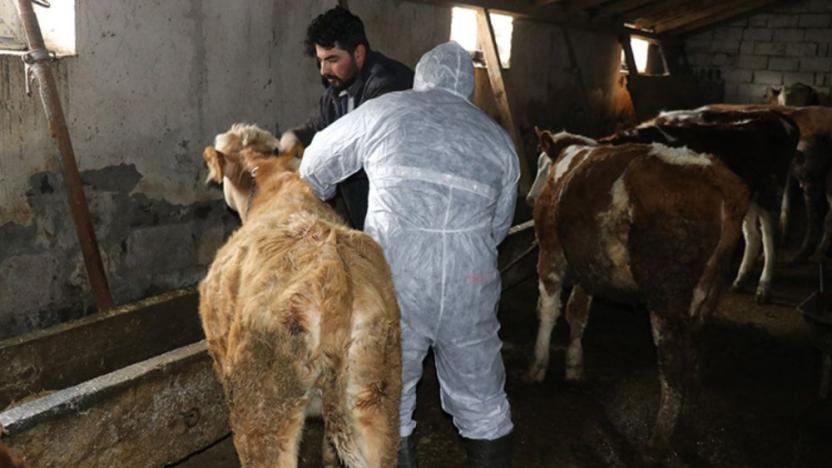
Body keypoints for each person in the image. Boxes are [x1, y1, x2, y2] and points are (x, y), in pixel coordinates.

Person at [299, 41, 519, 468]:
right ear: (467, 86)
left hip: (397, 278)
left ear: (423, 77)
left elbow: (314, 167)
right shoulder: (497, 139)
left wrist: (323, 200)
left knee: (385, 400)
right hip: (469, 282)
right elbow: (499, 227)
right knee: (483, 401)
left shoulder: (387, 111)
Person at [283, 6, 413, 230]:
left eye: (332, 59)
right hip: (366, 218)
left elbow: (373, 153)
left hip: (400, 215)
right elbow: (319, 129)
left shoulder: (389, 89)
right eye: (320, 60)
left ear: (359, 53)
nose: (324, 70)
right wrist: (295, 137)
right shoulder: (336, 92)